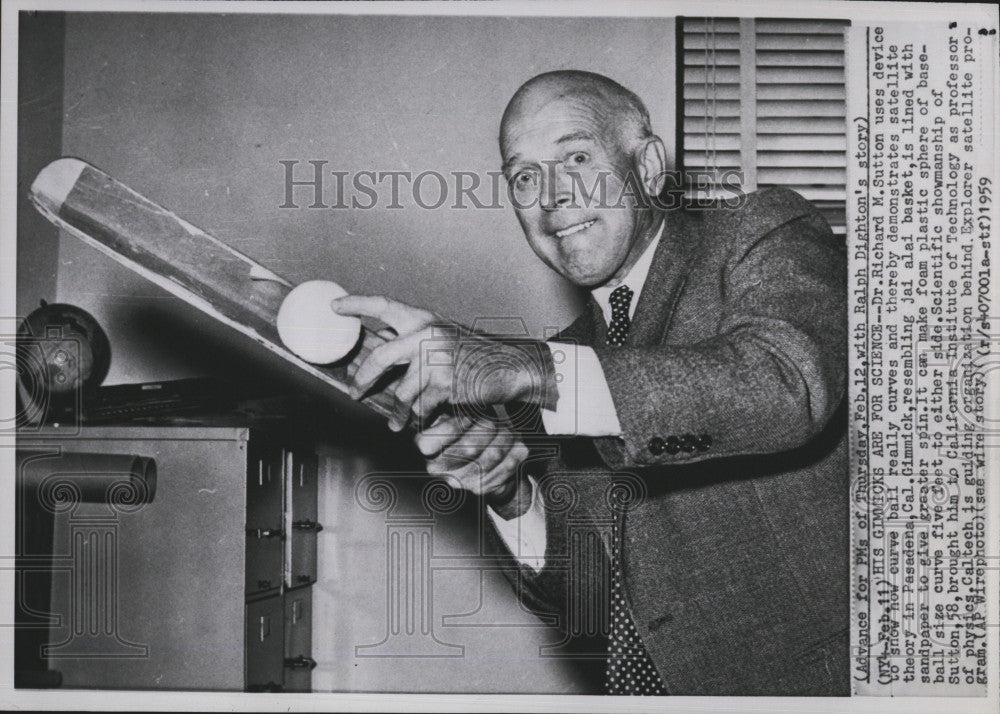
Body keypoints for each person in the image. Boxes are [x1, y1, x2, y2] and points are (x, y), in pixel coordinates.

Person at [332, 70, 849, 696]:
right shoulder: (563, 362)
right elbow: (597, 606)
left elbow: (787, 386)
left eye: (576, 156)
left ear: (649, 165)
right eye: (524, 177)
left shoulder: (760, 229)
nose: (550, 197)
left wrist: (533, 368)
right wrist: (510, 494)